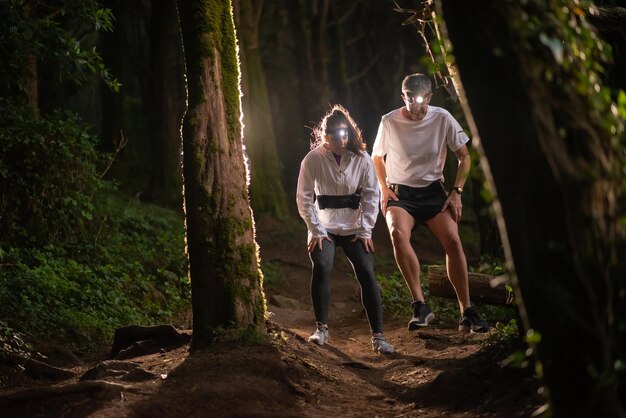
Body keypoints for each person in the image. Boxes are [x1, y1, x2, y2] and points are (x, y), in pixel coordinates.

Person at [371, 73, 489, 333]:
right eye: (412, 103)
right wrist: (383, 188)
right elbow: (377, 157)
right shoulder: (389, 121)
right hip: (401, 194)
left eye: (422, 103)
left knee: (454, 240)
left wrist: (456, 191)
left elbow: (465, 157)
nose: (417, 109)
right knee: (397, 234)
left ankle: (466, 311)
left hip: (433, 191)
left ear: (430, 98)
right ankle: (420, 306)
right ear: (404, 98)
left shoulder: (442, 117)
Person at [296, 104, 395, 355]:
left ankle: (378, 336)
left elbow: (372, 195)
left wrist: (365, 231)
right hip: (324, 227)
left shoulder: (362, 159)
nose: (342, 139)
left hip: (353, 227)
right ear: (325, 137)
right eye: (336, 135)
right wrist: (315, 230)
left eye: (345, 134)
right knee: (322, 266)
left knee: (367, 273)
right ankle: (321, 328)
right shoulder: (313, 159)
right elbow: (304, 197)